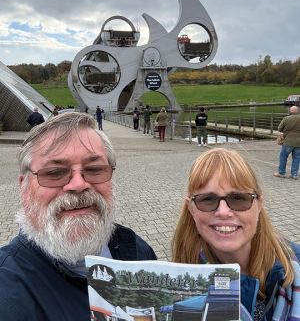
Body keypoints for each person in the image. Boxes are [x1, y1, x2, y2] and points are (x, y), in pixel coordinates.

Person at [0, 112, 156, 321]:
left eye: (94, 169)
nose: (78, 184)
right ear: (24, 189)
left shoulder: (136, 249)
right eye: (55, 172)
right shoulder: (8, 291)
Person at [172, 148, 300, 320]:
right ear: (191, 209)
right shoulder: (182, 276)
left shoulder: (294, 267)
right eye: (208, 199)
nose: (223, 212)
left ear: (259, 205)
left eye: (239, 198)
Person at [274, 105, 300, 180]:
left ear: (290, 111)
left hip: (288, 141)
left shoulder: (286, 118)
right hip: (298, 142)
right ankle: (294, 174)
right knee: (297, 158)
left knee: (283, 157)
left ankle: (281, 173)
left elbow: (279, 128)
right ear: (297, 111)